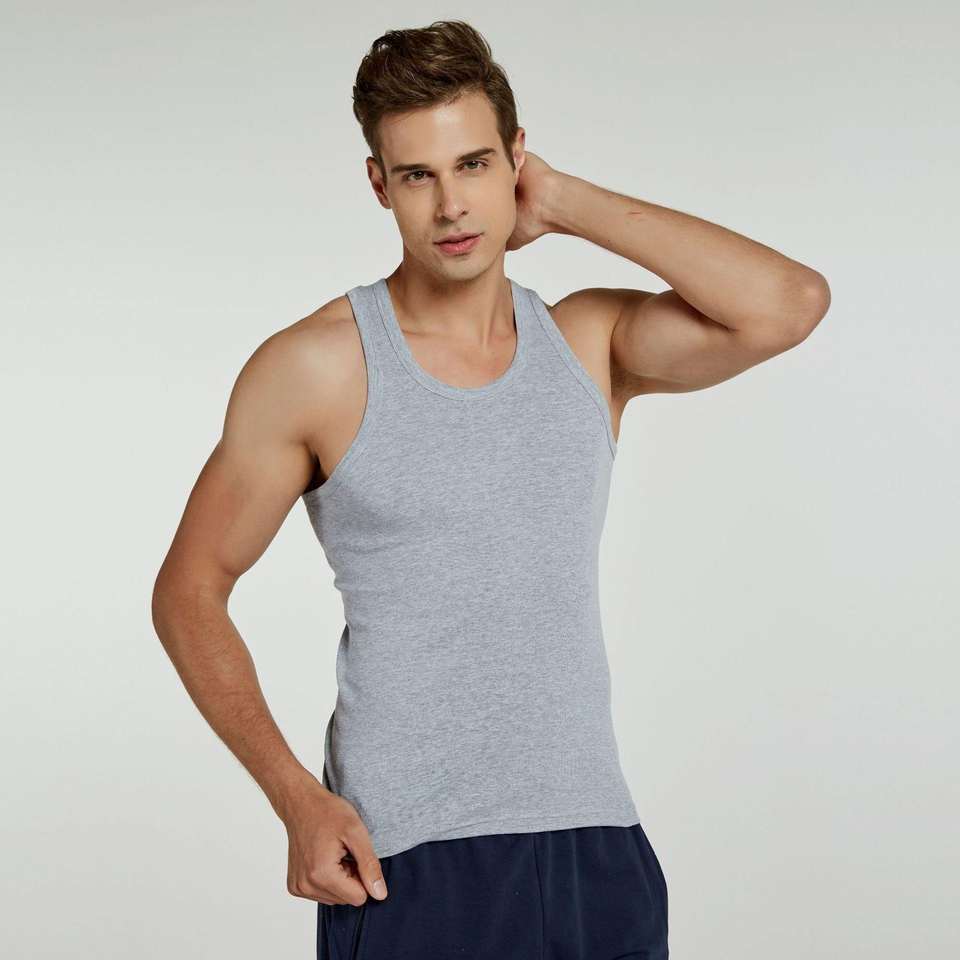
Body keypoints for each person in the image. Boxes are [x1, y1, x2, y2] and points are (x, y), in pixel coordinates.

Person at [151, 19, 830, 960]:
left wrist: (567, 201)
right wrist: (296, 798)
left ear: (515, 158)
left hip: (596, 844)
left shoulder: (587, 344)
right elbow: (189, 592)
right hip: (410, 861)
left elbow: (788, 305)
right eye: (417, 176)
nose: (451, 206)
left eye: (474, 165)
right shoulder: (317, 369)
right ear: (379, 185)